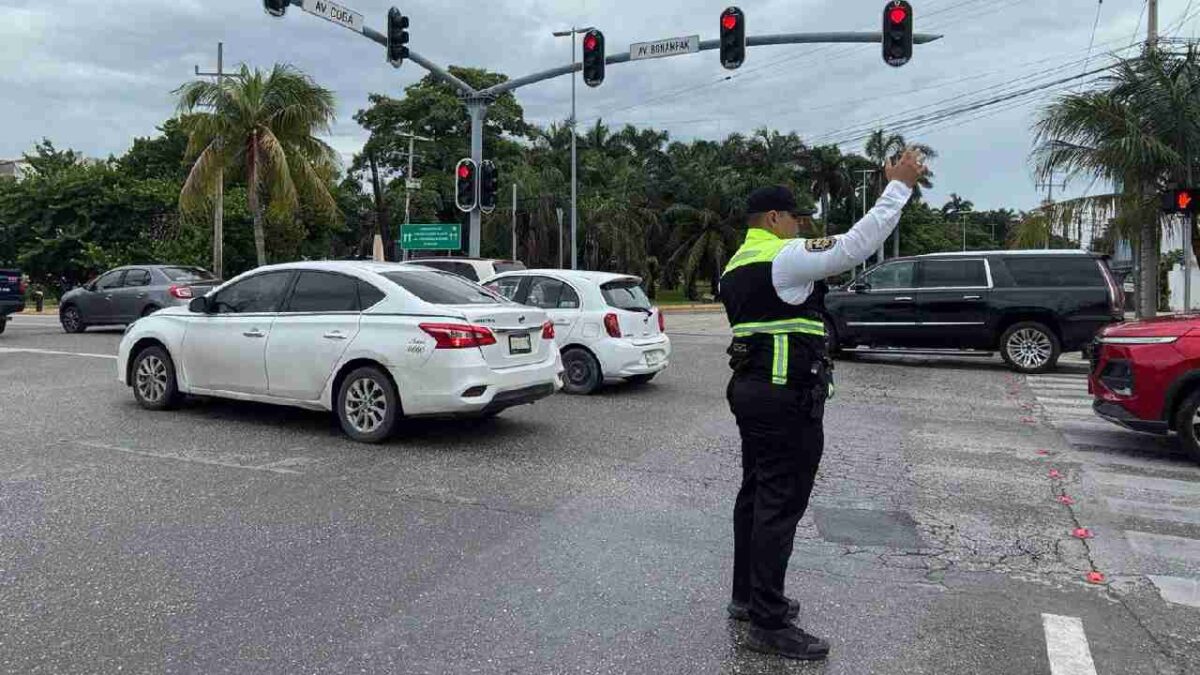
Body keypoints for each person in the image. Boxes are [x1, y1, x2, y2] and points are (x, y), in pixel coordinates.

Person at [720, 149, 927, 660]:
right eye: (795, 218)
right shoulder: (782, 256)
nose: (799, 227)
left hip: (752, 391)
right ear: (774, 218)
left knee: (755, 496)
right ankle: (767, 624)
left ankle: (747, 598)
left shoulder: (736, 264)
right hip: (785, 396)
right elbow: (856, 244)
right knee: (779, 504)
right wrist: (897, 186)